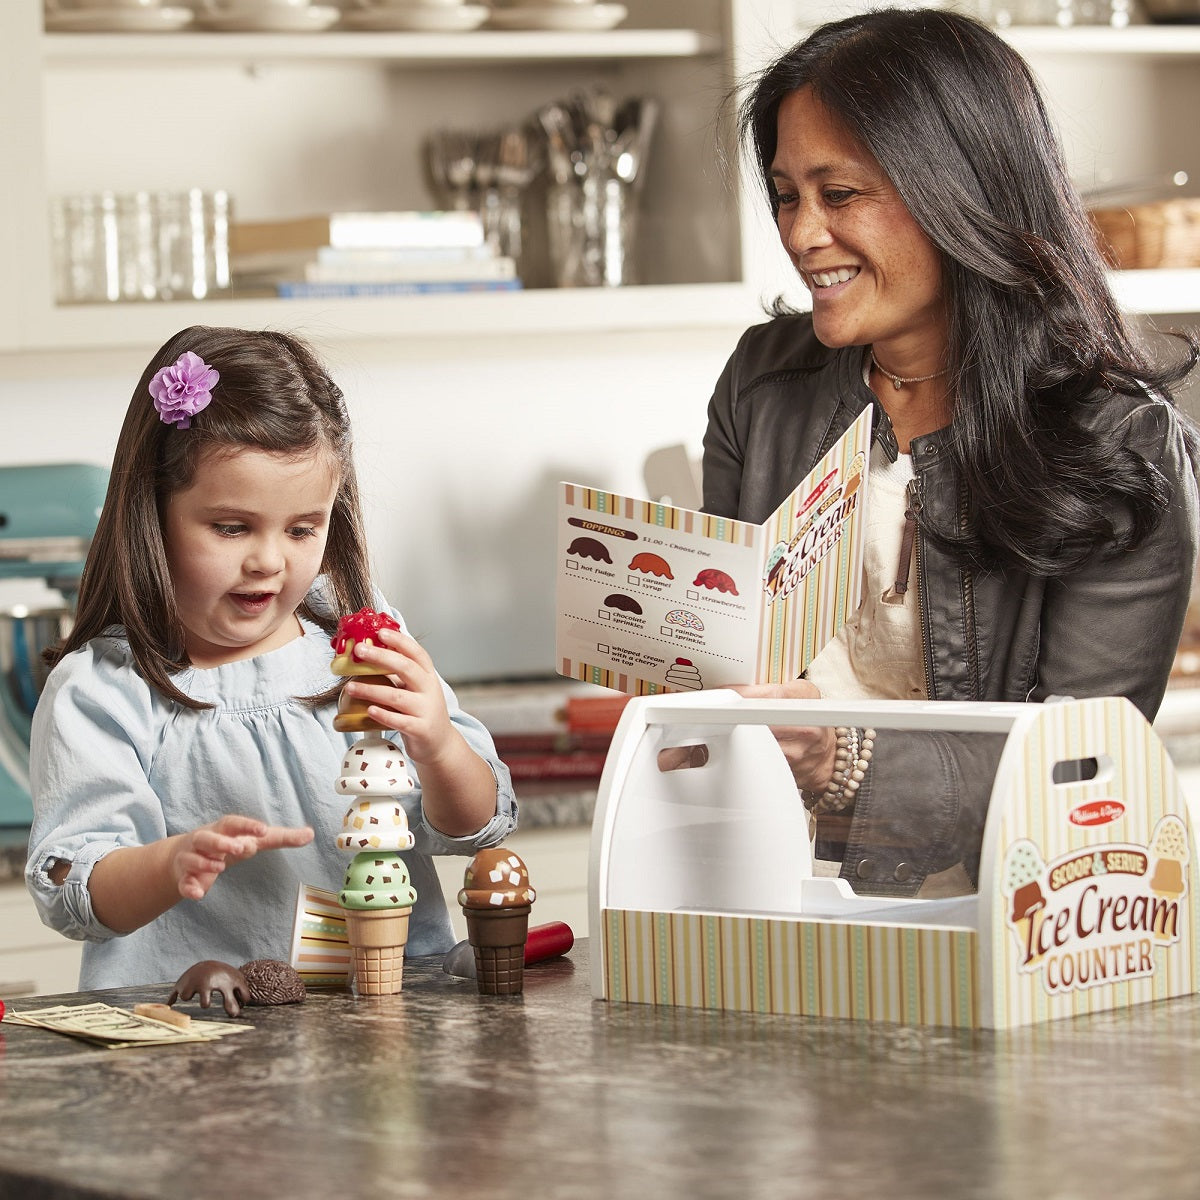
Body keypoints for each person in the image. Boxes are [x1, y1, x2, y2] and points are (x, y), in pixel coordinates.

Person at [702, 8, 1199, 897]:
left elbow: (1073, 772)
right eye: (786, 193)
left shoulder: (1120, 441)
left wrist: (840, 763)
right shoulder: (760, 382)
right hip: (771, 887)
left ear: (959, 194)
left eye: (840, 193)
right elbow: (717, 653)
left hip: (1003, 915)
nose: (802, 234)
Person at [26, 326, 516, 989]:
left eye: (302, 528)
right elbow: (75, 887)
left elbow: (472, 827)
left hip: (388, 1022)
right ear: (153, 512)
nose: (268, 560)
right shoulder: (106, 689)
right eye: (231, 527)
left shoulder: (359, 638)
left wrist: (436, 744)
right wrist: (167, 865)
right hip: (198, 1051)